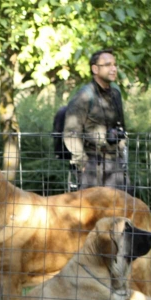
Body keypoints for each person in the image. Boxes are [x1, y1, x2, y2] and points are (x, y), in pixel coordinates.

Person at [63, 49, 131, 192]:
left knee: (118, 207)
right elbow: (71, 132)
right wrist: (82, 162)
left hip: (114, 160)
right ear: (95, 69)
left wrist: (122, 150)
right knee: (91, 210)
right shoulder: (84, 96)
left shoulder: (115, 94)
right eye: (107, 65)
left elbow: (121, 126)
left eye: (114, 64)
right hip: (92, 161)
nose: (113, 69)